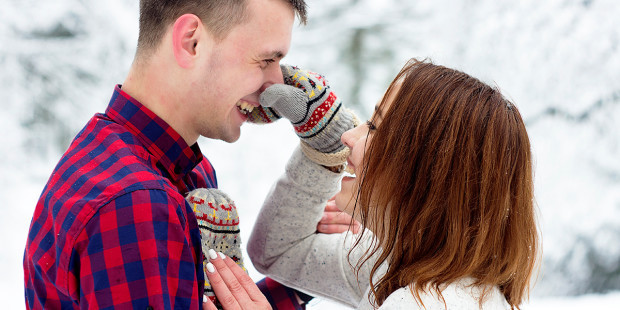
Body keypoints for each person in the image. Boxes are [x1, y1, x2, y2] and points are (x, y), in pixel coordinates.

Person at [23, 0, 358, 309]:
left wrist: (304, 268)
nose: (274, 84)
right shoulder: (136, 206)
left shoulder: (173, 170)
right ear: (191, 41)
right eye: (266, 60)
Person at [231, 59, 537, 309]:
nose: (348, 136)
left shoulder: (420, 304)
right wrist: (321, 147)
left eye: (375, 127)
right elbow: (278, 253)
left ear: (422, 172)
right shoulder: (390, 264)